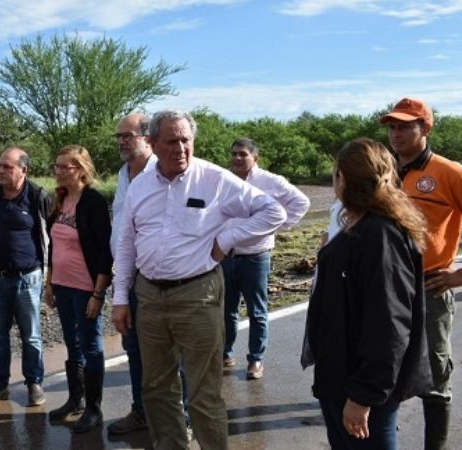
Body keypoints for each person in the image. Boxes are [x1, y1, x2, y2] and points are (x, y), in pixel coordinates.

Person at [113, 109, 286, 450]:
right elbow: (127, 241)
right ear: (152, 144)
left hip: (198, 293)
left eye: (185, 140)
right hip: (148, 295)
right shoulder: (140, 184)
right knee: (156, 388)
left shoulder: (214, 178)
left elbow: (274, 211)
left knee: (204, 394)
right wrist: (120, 297)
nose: (180, 148)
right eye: (171, 141)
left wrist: (227, 239)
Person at [303, 138, 432, 449]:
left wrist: (363, 396)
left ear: (342, 179)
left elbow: (389, 325)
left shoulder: (380, 237)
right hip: (343, 374)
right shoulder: (359, 225)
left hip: (360, 384)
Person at [379, 97, 462, 449]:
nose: (396, 134)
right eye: (392, 127)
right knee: (385, 369)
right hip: (387, 288)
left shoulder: (449, 173)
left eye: (404, 126)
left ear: (425, 128)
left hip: (430, 286)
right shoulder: (383, 170)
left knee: (434, 376)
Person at [223, 138, 310, 379]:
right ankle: (226, 353)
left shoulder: (271, 181)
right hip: (226, 256)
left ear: (255, 158)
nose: (237, 158)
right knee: (227, 310)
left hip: (255, 256)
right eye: (234, 154)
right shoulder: (223, 179)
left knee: (257, 311)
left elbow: (301, 202)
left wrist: (277, 227)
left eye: (243, 154)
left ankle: (256, 360)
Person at [44, 145, 113, 434]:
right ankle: (75, 400)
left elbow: (104, 253)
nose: (58, 172)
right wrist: (49, 284)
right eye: (56, 167)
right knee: (72, 344)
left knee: (90, 345)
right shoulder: (57, 200)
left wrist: (98, 294)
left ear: (81, 169)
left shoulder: (93, 201)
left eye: (64, 167)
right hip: (62, 285)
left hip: (86, 287)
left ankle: (94, 408)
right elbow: (53, 247)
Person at [0, 147, 50, 407]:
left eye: (8, 167)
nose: (1, 171)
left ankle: (34, 383)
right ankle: (0, 383)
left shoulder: (37, 195)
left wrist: (50, 275)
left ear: (24, 170)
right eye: (0, 165)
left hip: (28, 278)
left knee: (31, 335)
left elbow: (52, 235)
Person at [107, 113, 158, 435]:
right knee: (134, 348)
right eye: (119, 137)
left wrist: (224, 246)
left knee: (168, 352)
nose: (122, 141)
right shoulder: (123, 175)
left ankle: (179, 418)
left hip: (160, 280)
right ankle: (141, 411)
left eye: (128, 135)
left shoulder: (163, 172)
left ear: (147, 137)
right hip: (127, 276)